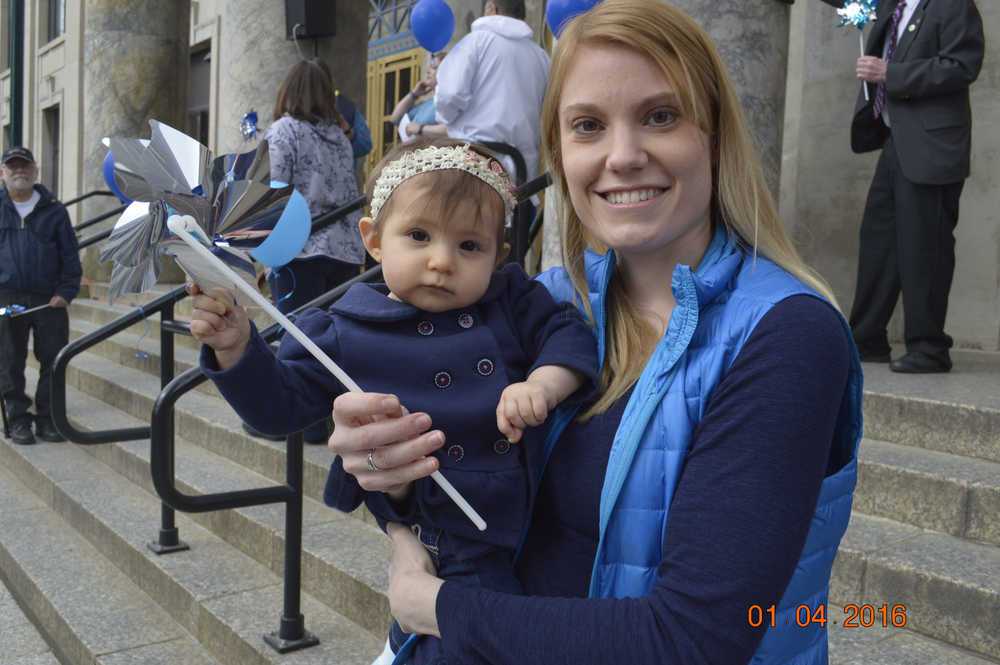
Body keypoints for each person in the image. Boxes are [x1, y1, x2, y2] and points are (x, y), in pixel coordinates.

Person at [327, 1, 864, 663]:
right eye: (587, 125)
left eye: (660, 116)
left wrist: (439, 607)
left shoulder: (789, 335)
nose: (623, 155)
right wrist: (395, 472)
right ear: (558, 152)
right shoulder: (542, 304)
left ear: (715, 135)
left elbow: (693, 640)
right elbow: (455, 492)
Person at [189, 138, 598, 664]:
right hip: (450, 541)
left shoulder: (512, 302)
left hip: (540, 524)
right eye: (419, 236)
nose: (442, 261)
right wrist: (237, 349)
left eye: (470, 246)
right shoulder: (343, 330)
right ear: (375, 240)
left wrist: (543, 384)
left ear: (499, 254)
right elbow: (278, 408)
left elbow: (568, 334)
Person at [819, 0, 984, 373]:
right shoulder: (890, 3)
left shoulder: (953, 5)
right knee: (879, 242)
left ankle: (929, 347)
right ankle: (866, 340)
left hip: (932, 146)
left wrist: (891, 73)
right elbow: (848, 2)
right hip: (895, 141)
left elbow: (962, 66)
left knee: (925, 245)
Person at [259, 58, 366, 442]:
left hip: (300, 246)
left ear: (287, 90)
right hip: (343, 249)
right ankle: (320, 421)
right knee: (327, 342)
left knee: (295, 338)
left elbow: (272, 190)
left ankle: (290, 421)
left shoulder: (284, 131)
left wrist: (262, 250)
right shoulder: (339, 136)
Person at [0, 146, 81, 445]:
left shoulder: (54, 210)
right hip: (7, 298)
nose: (19, 171)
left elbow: (70, 256)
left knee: (53, 361)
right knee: (9, 362)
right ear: (3, 173)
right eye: (13, 167)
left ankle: (48, 420)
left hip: (50, 299)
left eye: (25, 166)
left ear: (35, 171)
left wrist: (66, 292)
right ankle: (18, 419)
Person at [434, 0, 550, 184]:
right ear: (523, 17)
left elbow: (449, 95)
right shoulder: (542, 57)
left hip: (474, 162)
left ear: (492, 9)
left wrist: (446, 120)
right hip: (522, 172)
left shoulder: (475, 42)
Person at [390, 52, 448, 143]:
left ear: (446, 71)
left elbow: (456, 129)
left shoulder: (451, 101)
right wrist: (414, 95)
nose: (428, 71)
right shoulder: (427, 104)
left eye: (434, 67)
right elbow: (395, 118)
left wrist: (421, 129)